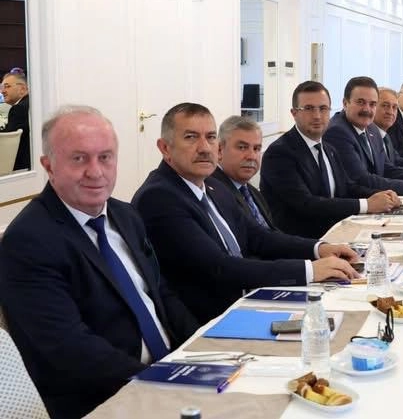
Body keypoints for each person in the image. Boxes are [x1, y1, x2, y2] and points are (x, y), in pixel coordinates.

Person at [0, 106, 198, 418]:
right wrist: (161, 383)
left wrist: (203, 350)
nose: (95, 172)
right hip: (102, 399)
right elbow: (69, 348)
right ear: (48, 166)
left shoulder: (125, 215)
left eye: (105, 157)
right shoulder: (28, 241)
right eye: (79, 159)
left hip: (168, 374)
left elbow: (161, 293)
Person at [133, 102, 361, 323]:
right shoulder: (160, 197)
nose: (204, 148)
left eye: (210, 137)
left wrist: (319, 249)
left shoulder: (211, 185)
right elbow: (219, 267)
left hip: (248, 299)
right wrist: (309, 270)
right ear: (165, 148)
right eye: (191, 137)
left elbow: (258, 237)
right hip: (216, 318)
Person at [260, 81, 401, 239]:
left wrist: (383, 196)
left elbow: (347, 187)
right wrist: (367, 204)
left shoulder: (328, 149)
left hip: (337, 233)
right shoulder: (279, 153)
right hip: (304, 243)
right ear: (294, 113)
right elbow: (307, 204)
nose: (317, 116)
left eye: (323, 108)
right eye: (309, 108)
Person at [323, 76, 403, 195]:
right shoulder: (337, 132)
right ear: (345, 103)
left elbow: (387, 168)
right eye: (360, 102)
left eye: (372, 104)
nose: (367, 109)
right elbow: (362, 179)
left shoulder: (371, 127)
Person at [210, 115, 277, 230]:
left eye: (256, 149)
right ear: (219, 150)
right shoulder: (214, 193)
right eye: (242, 147)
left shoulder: (254, 193)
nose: (252, 156)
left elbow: (272, 234)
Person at [1, 70, 30, 170]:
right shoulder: (30, 103)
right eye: (2, 87)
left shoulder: (19, 108)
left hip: (20, 167)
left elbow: (6, 140)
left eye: (7, 86)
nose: (2, 91)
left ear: (22, 89)